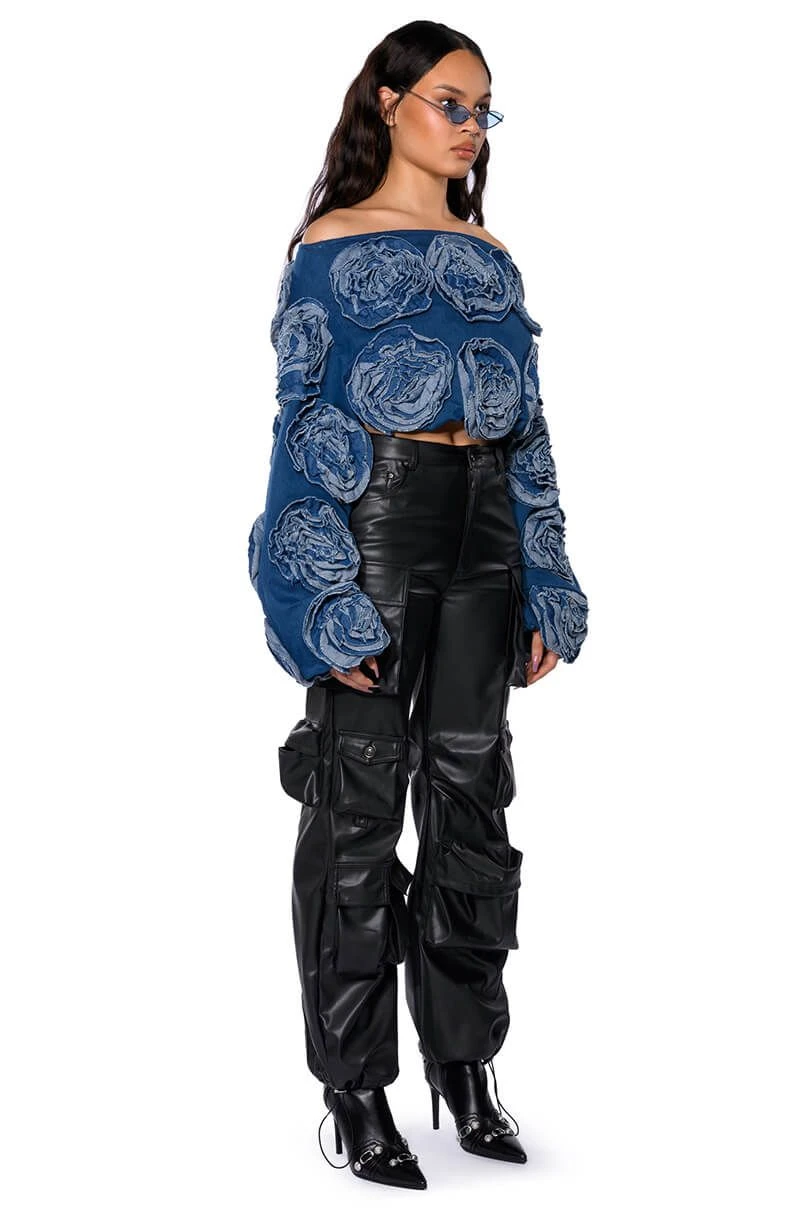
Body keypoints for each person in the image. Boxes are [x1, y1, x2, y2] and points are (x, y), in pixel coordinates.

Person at [247, 20, 589, 1190]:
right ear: (388, 103)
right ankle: (354, 1089)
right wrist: (312, 591)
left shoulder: (491, 256)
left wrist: (546, 571)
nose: (469, 127)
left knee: (470, 800)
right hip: (376, 523)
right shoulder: (329, 245)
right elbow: (300, 424)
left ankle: (464, 1065)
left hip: (485, 525)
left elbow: (529, 430)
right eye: (450, 102)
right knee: (354, 803)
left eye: (483, 110)